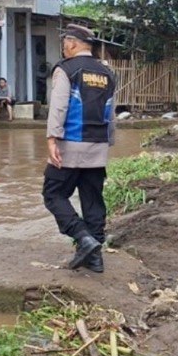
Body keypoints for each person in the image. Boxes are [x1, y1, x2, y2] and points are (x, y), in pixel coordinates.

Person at [42, 24, 117, 273]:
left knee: (53, 194)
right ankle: (95, 259)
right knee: (93, 200)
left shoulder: (66, 70)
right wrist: (109, 142)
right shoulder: (107, 73)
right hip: (98, 146)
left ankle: (82, 237)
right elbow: (111, 112)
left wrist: (52, 138)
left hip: (69, 145)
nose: (64, 47)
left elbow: (59, 106)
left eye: (65, 43)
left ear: (73, 44)